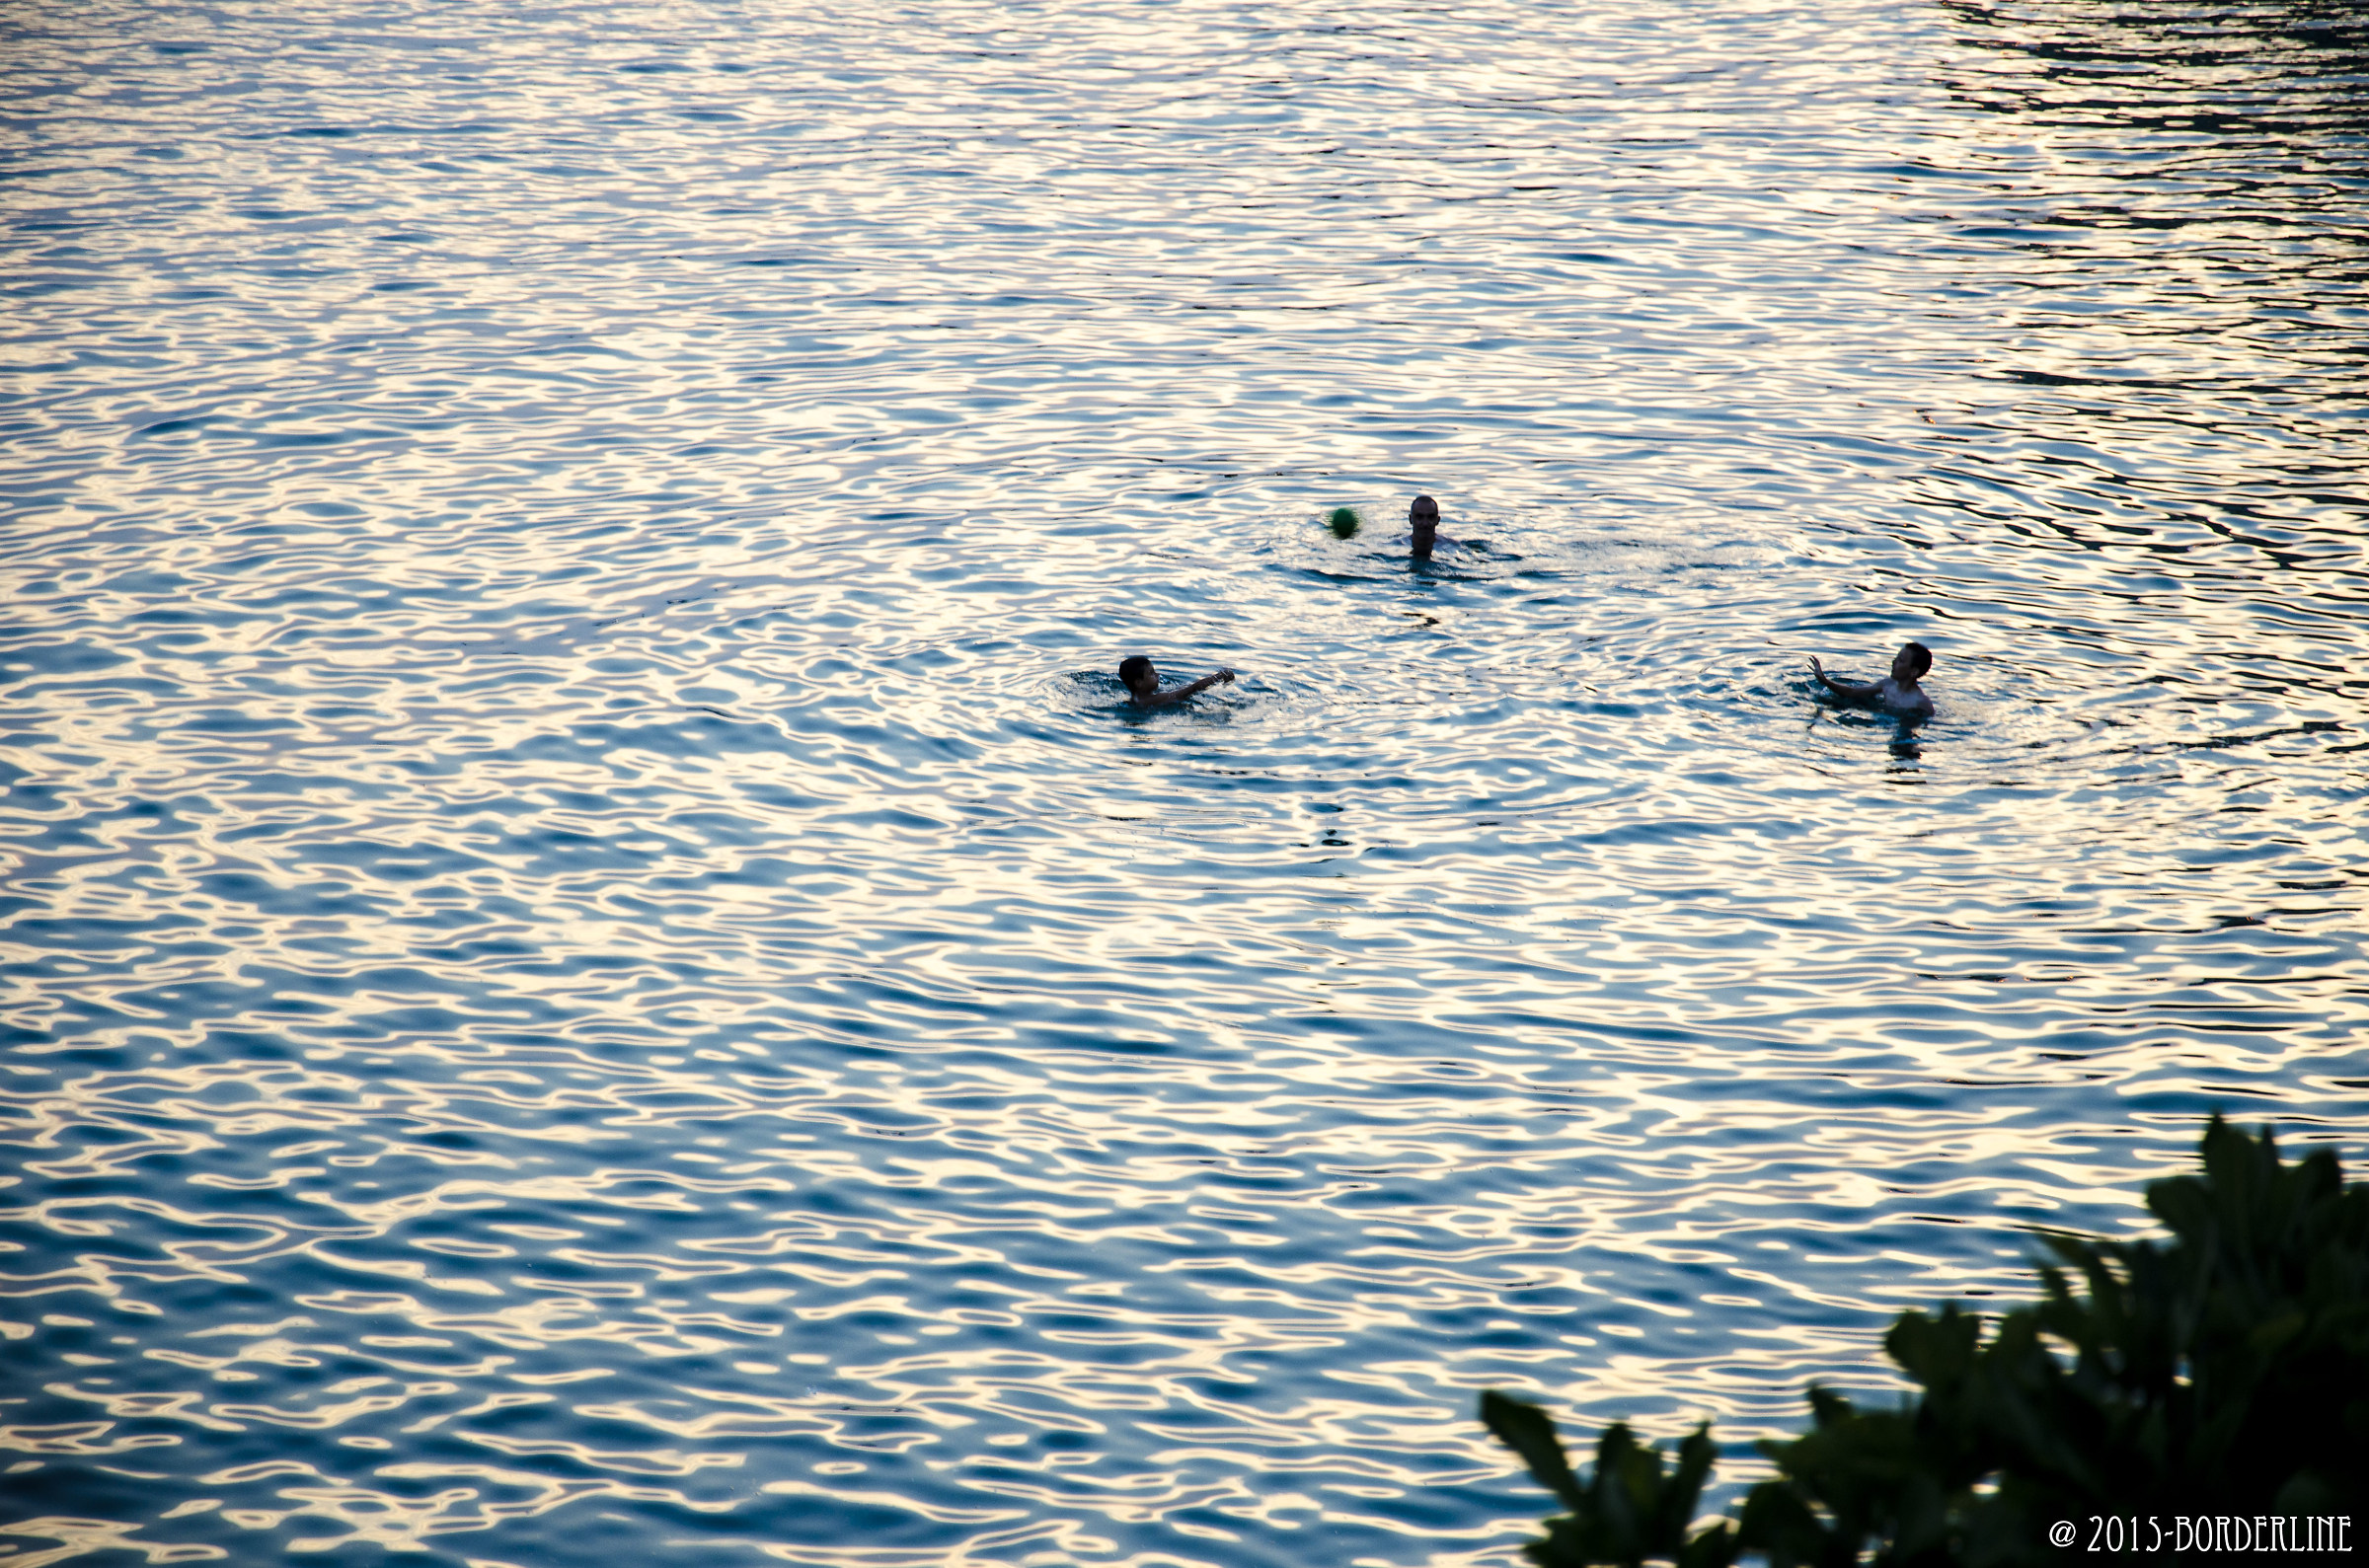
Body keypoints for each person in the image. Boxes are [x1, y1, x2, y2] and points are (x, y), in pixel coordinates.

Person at [1809, 641, 1935, 719]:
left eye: (1901, 660)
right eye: (1896, 658)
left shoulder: (1921, 702)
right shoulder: (1887, 684)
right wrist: (1826, 681)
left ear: (1914, 672)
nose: (1893, 662)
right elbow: (1852, 692)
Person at [1119, 655, 1236, 707]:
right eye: (1152, 673)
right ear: (1139, 683)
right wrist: (1219, 676)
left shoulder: (1137, 699)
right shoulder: (1154, 700)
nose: (1158, 675)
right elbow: (1192, 689)